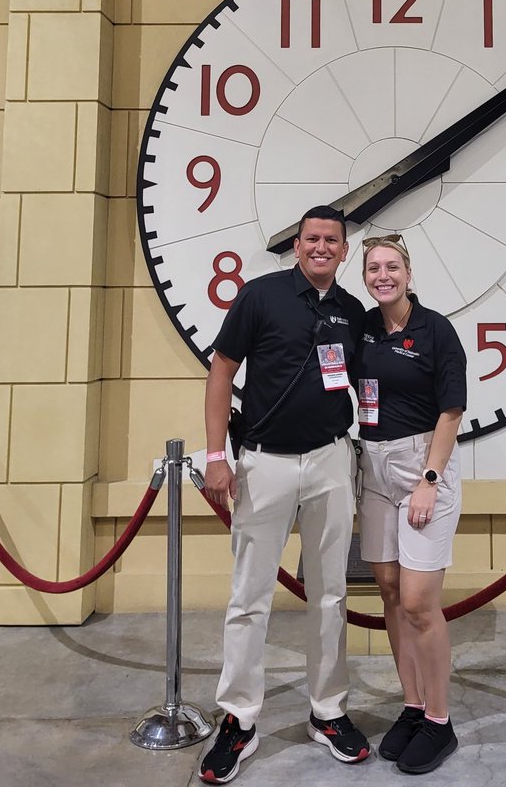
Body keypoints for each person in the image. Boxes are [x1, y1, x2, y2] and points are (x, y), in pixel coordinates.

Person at [199, 205, 369, 784]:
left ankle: (328, 711)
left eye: (332, 241)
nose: (322, 247)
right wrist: (216, 455)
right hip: (263, 464)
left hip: (329, 460)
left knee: (329, 595)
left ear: (345, 250)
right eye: (312, 239)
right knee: (249, 598)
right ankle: (240, 720)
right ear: (296, 245)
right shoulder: (260, 296)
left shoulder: (351, 312)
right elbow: (221, 370)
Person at [356, 233, 466, 774]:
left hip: (423, 467)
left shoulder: (435, 330)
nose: (383, 275)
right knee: (392, 592)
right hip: (373, 467)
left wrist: (429, 478)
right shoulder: (364, 330)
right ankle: (413, 705)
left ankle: (440, 722)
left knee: (421, 601)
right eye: (374, 267)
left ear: (408, 272)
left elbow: (451, 412)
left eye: (391, 266)